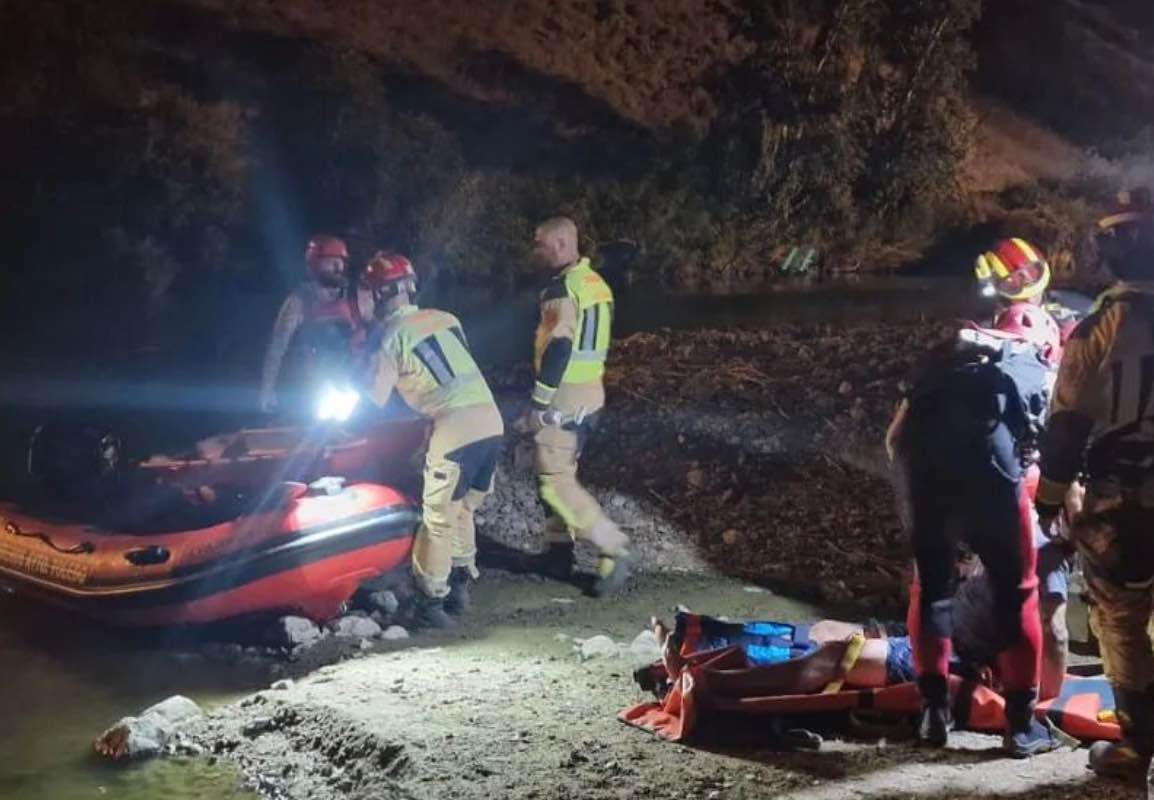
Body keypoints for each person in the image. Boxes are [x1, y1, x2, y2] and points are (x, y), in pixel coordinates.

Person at [888, 302, 1064, 757]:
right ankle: (1022, 727)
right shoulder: (1036, 364)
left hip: (922, 467)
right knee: (1018, 590)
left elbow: (894, 439)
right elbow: (1049, 452)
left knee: (930, 587)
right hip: (992, 468)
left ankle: (932, 714)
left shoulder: (951, 356)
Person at [1036, 188, 1154, 779]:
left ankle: (1136, 745)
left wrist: (1049, 500)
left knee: (1119, 617)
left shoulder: (1101, 326)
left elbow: (1068, 425)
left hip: (1122, 505)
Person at [359, 252, 504, 628]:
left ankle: (430, 605)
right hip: (491, 423)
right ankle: (460, 590)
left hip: (455, 428)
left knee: (437, 519)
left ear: (376, 295)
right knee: (463, 510)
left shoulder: (390, 339)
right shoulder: (447, 319)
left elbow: (371, 402)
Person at [522, 216, 631, 596]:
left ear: (560, 244)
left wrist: (539, 399)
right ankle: (558, 549)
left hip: (564, 397)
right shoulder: (595, 284)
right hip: (591, 394)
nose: (534, 250)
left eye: (539, 243)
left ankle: (611, 546)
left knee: (554, 482)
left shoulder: (561, 289)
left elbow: (560, 345)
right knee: (554, 473)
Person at [259, 234, 365, 415]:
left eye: (341, 262)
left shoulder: (354, 297)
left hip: (353, 384)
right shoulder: (299, 301)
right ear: (315, 263)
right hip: (314, 388)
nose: (339, 267)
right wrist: (267, 389)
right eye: (332, 262)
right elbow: (278, 346)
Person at [973, 237, 1084, 340]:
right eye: (1012, 283)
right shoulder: (989, 326)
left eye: (1032, 272)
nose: (1030, 299)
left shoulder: (1068, 308)